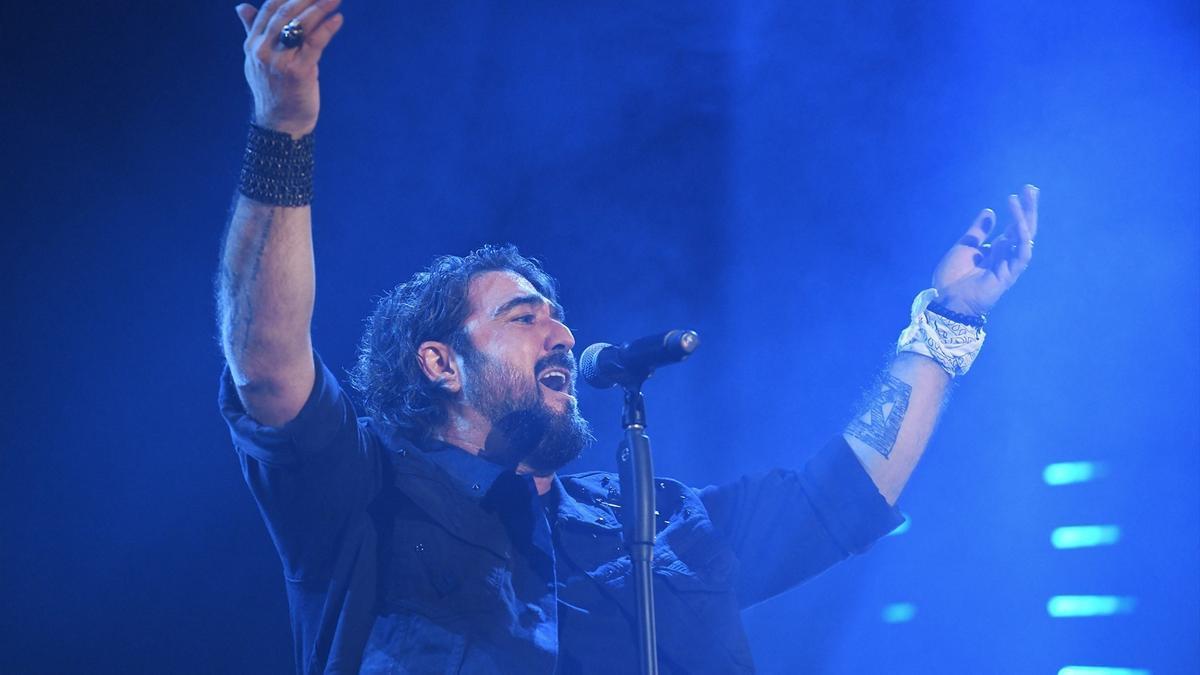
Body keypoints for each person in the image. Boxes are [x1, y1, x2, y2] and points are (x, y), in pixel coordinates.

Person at [216, 1, 1040, 673]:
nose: (563, 331)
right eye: (523, 315)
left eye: (558, 313)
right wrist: (283, 128)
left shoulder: (668, 521)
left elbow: (846, 492)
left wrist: (948, 320)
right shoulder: (363, 496)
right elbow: (267, 365)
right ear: (439, 362)